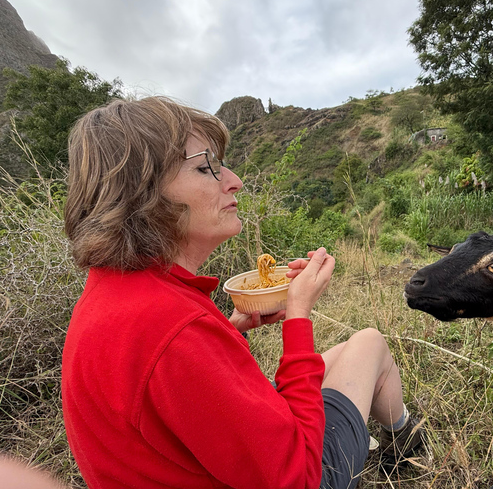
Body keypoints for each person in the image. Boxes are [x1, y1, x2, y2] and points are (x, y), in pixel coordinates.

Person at [61, 96, 425, 489]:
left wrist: (231, 331)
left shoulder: (117, 294)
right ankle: (408, 447)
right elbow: (298, 478)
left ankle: (402, 445)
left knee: (347, 355)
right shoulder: (173, 329)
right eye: (206, 168)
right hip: (297, 474)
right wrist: (299, 314)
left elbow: (177, 396)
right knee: (370, 343)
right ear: (143, 194)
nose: (234, 180)